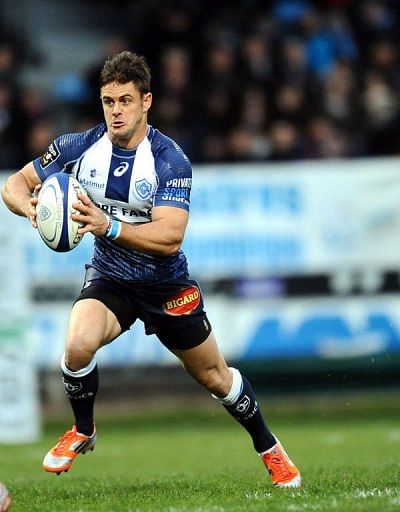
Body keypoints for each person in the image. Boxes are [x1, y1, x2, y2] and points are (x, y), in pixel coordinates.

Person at [1, 51, 301, 488]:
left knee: (215, 377)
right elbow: (15, 183)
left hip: (165, 284)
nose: (116, 110)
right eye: (108, 101)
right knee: (77, 346)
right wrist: (29, 205)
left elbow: (171, 235)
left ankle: (270, 448)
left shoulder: (169, 159)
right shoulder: (77, 146)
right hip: (111, 278)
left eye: (125, 100)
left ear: (147, 101)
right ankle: (83, 429)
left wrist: (108, 224)